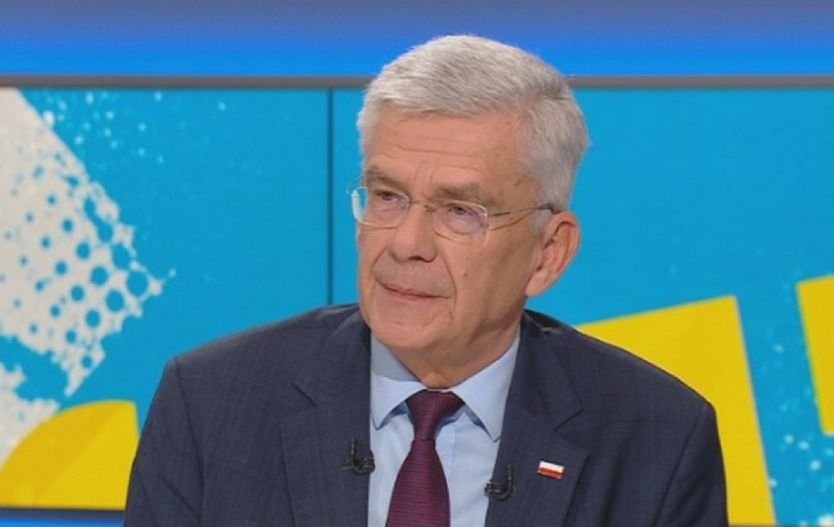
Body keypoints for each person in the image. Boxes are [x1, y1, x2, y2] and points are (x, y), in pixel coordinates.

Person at [126, 35, 727, 526]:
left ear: (548, 253)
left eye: (460, 211)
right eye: (388, 196)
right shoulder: (211, 404)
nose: (406, 243)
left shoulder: (656, 439)